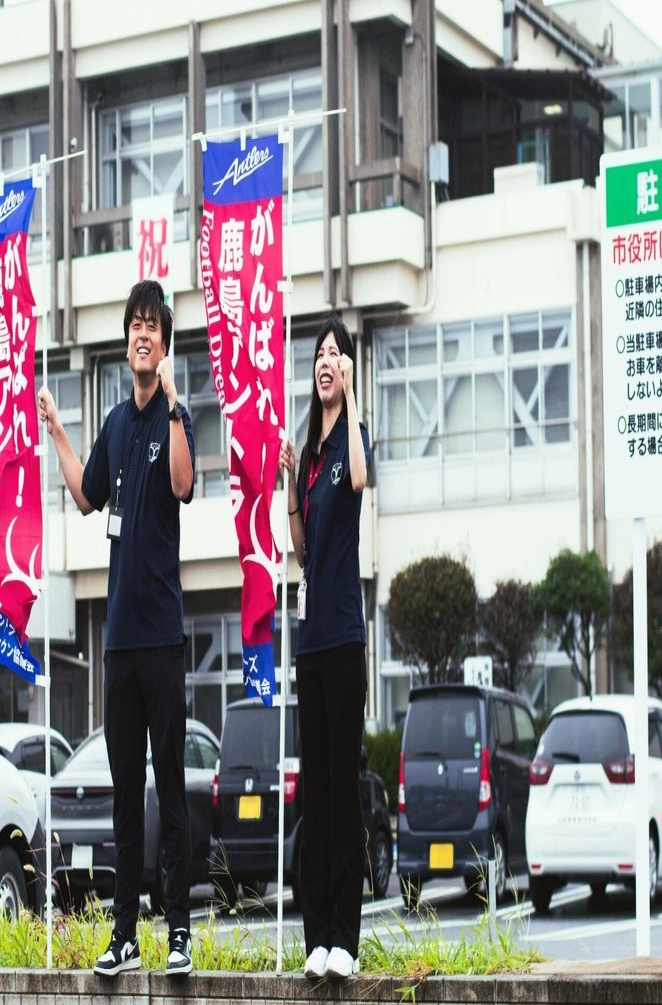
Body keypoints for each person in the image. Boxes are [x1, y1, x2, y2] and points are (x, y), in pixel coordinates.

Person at [37, 279, 195, 977]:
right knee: (126, 792)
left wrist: (177, 403)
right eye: (134, 325)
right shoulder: (116, 421)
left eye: (151, 326)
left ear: (163, 342)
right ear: (127, 339)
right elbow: (85, 495)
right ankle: (124, 933)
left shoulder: (171, 417)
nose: (141, 335)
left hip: (162, 636)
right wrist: (58, 432)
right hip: (120, 641)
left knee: (170, 788)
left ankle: (180, 932)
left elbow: (183, 484)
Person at [278, 313, 369, 980]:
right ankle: (316, 936)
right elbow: (301, 547)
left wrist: (354, 399)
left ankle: (345, 937)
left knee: (343, 789)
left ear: (347, 369)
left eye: (335, 354)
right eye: (319, 355)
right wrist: (290, 481)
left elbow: (359, 481)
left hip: (343, 634)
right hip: (310, 641)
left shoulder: (347, 443)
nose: (325, 363)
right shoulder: (310, 453)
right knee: (313, 790)